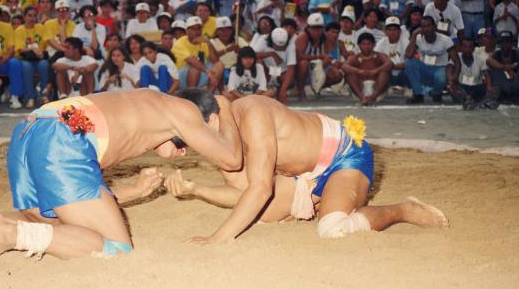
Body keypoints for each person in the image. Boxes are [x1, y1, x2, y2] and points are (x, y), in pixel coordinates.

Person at [0, 89, 242, 270]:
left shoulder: (147, 103)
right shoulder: (184, 109)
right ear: (203, 120)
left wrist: (132, 192)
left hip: (34, 127)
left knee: (51, 223)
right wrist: (225, 107)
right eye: (191, 142)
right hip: (67, 137)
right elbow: (231, 158)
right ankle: (10, 236)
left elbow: (78, 189)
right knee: (117, 248)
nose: (185, 152)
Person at [164, 95, 448, 244]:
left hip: (344, 154)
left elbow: (260, 188)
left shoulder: (253, 114)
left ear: (211, 122)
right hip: (305, 175)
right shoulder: (223, 139)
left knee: (333, 229)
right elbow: (241, 193)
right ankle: (325, 198)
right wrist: (196, 189)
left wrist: (218, 238)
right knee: (261, 217)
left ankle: (403, 209)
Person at [405, 16, 459, 103]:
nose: (426, 29)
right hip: (424, 70)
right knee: (409, 62)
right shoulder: (418, 38)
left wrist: (454, 76)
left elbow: (456, 60)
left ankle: (437, 93)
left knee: (441, 77)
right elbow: (408, 55)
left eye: (428, 26)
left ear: (434, 27)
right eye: (423, 26)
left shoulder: (445, 40)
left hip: (440, 69)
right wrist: (414, 35)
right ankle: (418, 94)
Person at [172, 16, 224, 92]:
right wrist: (208, 72)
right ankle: (191, 95)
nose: (196, 31)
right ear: (187, 31)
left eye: (199, 28)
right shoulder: (180, 43)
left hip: (201, 73)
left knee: (219, 65)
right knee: (195, 67)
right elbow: (191, 60)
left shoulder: (203, 41)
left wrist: (209, 43)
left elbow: (215, 60)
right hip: (180, 78)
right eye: (193, 29)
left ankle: (209, 94)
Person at [342, 32, 393, 105]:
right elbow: (344, 66)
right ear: (359, 45)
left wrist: (375, 71)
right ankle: (362, 98)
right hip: (360, 90)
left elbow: (390, 64)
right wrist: (359, 71)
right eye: (363, 44)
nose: (366, 47)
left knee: (385, 72)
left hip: (377, 90)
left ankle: (373, 97)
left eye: (369, 44)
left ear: (373, 45)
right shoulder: (355, 57)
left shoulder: (380, 56)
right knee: (349, 73)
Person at [16, 6, 49, 108]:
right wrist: (32, 48)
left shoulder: (41, 27)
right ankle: (30, 97)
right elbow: (20, 49)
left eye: (34, 16)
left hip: (40, 58)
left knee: (44, 65)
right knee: (26, 67)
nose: (32, 18)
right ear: (24, 17)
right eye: (29, 16)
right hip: (26, 59)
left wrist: (41, 52)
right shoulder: (19, 30)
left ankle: (44, 95)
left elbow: (46, 45)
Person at [252, 27, 296, 104]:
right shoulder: (263, 40)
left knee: (290, 77)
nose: (280, 48)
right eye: (277, 46)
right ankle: (262, 88)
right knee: (258, 62)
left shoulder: (291, 44)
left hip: (282, 71)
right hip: (267, 70)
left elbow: (291, 68)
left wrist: (283, 90)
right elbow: (252, 55)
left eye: (282, 47)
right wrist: (272, 54)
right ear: (271, 41)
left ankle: (280, 90)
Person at [447, 38, 494, 109]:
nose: (467, 49)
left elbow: (486, 74)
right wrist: (450, 78)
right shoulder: (456, 56)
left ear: (473, 49)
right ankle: (469, 100)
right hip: (461, 87)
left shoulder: (480, 59)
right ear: (461, 48)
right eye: (465, 47)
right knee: (453, 87)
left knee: (489, 89)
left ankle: (474, 101)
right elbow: (449, 67)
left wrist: (489, 87)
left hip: (476, 87)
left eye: (470, 47)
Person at [376, 16, 410, 89]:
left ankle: (406, 87)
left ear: (399, 31)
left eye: (395, 30)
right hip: (388, 75)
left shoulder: (405, 41)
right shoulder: (382, 42)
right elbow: (375, 59)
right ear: (385, 32)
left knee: (410, 67)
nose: (392, 32)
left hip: (402, 74)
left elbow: (408, 63)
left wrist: (390, 66)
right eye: (390, 30)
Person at [486, 31, 519, 103]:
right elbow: (489, 61)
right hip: (503, 84)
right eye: (503, 42)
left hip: (516, 83)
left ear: (511, 43)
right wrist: (507, 68)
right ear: (500, 43)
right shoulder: (496, 54)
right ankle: (492, 99)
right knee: (492, 70)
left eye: (508, 41)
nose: (505, 44)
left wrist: (515, 67)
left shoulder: (516, 53)